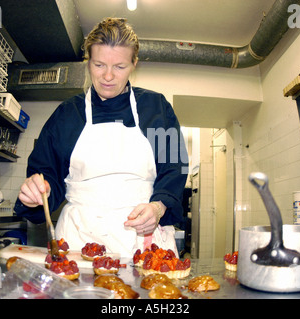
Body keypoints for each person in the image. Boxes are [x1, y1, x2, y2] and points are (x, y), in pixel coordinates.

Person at [14, 17, 188, 257]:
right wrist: (36, 194)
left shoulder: (155, 109)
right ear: (88, 62)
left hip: (141, 238)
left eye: (119, 67)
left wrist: (158, 207)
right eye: (99, 65)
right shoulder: (67, 115)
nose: (108, 76)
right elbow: (47, 178)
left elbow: (174, 169)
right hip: (78, 239)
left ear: (134, 63)